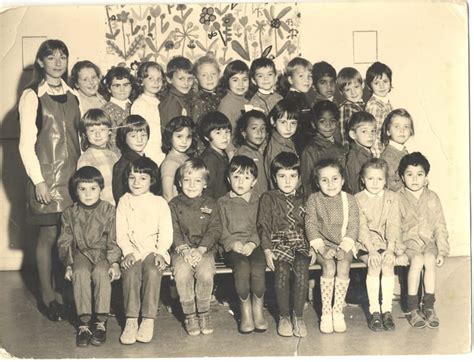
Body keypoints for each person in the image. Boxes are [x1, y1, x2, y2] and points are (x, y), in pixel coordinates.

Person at [18, 39, 81, 321]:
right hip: (45, 179)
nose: (58, 62)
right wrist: (39, 181)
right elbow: (24, 145)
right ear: (41, 62)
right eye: (51, 57)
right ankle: (47, 295)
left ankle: (66, 294)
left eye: (62, 57)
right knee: (48, 236)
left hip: (73, 180)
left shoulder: (73, 94)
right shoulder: (31, 96)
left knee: (69, 239)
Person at [57, 166, 121, 347]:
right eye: (82, 189)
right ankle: (84, 324)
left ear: (101, 189)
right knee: (80, 273)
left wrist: (114, 262)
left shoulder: (109, 210)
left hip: (103, 253)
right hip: (81, 253)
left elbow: (114, 239)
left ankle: (101, 321)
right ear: (75, 191)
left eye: (93, 188)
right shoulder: (70, 213)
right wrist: (68, 264)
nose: (88, 194)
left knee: (101, 273)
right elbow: (65, 241)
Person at [116, 157, 173, 344]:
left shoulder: (159, 202)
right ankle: (131, 320)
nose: (136, 182)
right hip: (132, 250)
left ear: (152, 180)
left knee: (152, 270)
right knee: (131, 272)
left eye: (142, 178)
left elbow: (166, 231)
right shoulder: (124, 201)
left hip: (153, 250)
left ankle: (148, 320)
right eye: (132, 178)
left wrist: (160, 252)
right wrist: (127, 251)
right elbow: (121, 231)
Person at [258, 152, 311, 337]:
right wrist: (266, 250)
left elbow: (311, 225)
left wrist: (312, 244)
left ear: (299, 177)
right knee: (281, 271)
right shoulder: (268, 198)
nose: (288, 181)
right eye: (282, 176)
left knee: (302, 268)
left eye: (292, 176)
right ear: (274, 177)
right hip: (277, 242)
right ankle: (284, 316)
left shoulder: (305, 198)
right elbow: (263, 226)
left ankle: (299, 316)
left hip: (300, 242)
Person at [305, 159, 359, 334]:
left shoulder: (349, 200)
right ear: (317, 182)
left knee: (343, 266)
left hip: (345, 243)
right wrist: (321, 249)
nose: (330, 184)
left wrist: (344, 248)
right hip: (322, 244)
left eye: (335, 179)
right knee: (328, 267)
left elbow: (354, 226)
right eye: (324, 180)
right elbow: (311, 225)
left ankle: (338, 312)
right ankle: (326, 313)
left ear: (342, 180)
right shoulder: (313, 199)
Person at [169, 159, 222, 336]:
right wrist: (184, 250)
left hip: (204, 250)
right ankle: (190, 314)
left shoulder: (211, 204)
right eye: (187, 180)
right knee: (182, 272)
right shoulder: (174, 204)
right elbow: (173, 229)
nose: (191, 185)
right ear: (179, 182)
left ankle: (204, 312)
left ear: (205, 183)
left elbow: (215, 229)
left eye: (197, 180)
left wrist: (200, 250)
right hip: (181, 251)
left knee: (206, 272)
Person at [397, 152, 449, 329]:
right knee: (417, 260)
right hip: (408, 243)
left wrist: (442, 250)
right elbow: (394, 227)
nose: (414, 179)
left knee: (429, 259)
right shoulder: (398, 198)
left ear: (426, 177)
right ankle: (412, 308)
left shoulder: (432, 197)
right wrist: (398, 251)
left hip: (428, 243)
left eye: (419, 174)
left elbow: (440, 225)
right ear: (402, 177)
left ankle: (429, 306)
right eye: (409, 174)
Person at [217, 155, 267, 334]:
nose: (240, 182)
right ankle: (245, 312)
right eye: (236, 176)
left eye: (246, 177)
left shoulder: (259, 200)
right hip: (233, 248)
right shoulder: (222, 202)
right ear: (229, 179)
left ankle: (258, 310)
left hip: (254, 245)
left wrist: (253, 243)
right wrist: (231, 243)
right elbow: (220, 229)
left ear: (253, 181)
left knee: (258, 266)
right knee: (242, 266)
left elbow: (261, 227)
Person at [355, 158, 402, 332]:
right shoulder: (358, 199)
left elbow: (393, 223)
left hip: (387, 242)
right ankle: (374, 310)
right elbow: (361, 227)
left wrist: (390, 249)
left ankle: (387, 310)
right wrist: (372, 250)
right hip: (365, 244)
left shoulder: (392, 197)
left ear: (385, 180)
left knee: (388, 264)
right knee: (375, 265)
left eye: (380, 179)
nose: (375, 183)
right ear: (363, 179)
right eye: (370, 179)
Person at [300, 100, 346, 200]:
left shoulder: (341, 148)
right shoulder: (310, 150)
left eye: (332, 121)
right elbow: (307, 184)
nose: (328, 125)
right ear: (313, 124)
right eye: (322, 121)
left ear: (337, 123)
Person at [77, 108, 119, 206]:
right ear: (85, 134)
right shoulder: (86, 159)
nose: (98, 134)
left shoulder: (114, 155)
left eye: (102, 129)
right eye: (92, 130)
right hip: (100, 210)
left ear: (109, 131)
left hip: (116, 207)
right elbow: (85, 191)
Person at [131, 61, 166, 166]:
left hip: (161, 151)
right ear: (141, 81)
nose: (156, 82)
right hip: (149, 152)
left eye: (159, 79)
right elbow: (138, 132)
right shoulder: (139, 104)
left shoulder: (160, 101)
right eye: (150, 78)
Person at [112, 115, 150, 205]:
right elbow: (119, 196)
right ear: (124, 138)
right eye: (133, 136)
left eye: (143, 135)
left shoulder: (144, 159)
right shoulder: (123, 164)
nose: (139, 140)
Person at [217, 60, 250, 158]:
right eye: (235, 80)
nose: (241, 84)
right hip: (232, 152)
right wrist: (230, 153)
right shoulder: (226, 103)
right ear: (227, 81)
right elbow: (223, 132)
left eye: (244, 79)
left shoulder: (246, 101)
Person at [233, 110, 269, 199]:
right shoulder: (244, 155)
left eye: (262, 128)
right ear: (244, 133)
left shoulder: (257, 152)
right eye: (254, 128)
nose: (259, 132)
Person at [282, 57, 314, 153]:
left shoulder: (302, 96)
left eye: (309, 76)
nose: (307, 80)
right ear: (290, 80)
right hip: (299, 146)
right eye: (301, 76)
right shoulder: (291, 99)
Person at [160, 116, 197, 202]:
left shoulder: (186, 157)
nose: (184, 141)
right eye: (179, 136)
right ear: (170, 137)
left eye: (188, 137)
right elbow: (167, 195)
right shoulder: (170, 163)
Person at [264, 99, 298, 187]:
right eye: (283, 122)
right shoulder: (276, 148)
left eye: (293, 123)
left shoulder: (287, 141)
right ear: (273, 121)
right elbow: (274, 183)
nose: (288, 128)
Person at [199, 111, 232, 200]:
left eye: (227, 132)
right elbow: (207, 191)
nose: (225, 137)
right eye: (218, 133)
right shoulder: (209, 159)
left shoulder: (222, 154)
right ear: (206, 137)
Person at [102, 66, 135, 154]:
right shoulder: (105, 111)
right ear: (109, 88)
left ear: (131, 86)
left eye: (126, 85)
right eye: (117, 86)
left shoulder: (136, 106)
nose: (122, 89)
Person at [380, 108, 414, 191]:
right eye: (396, 126)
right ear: (388, 131)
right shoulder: (388, 156)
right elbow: (391, 184)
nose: (402, 130)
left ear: (410, 131)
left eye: (406, 126)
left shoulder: (403, 151)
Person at [365, 62, 394, 156]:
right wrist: (379, 156)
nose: (381, 86)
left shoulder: (386, 103)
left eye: (385, 81)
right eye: (376, 83)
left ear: (390, 82)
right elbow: (374, 135)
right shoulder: (374, 105)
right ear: (370, 86)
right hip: (379, 153)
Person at [345, 111, 377, 194]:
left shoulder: (366, 152)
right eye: (364, 131)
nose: (370, 135)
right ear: (353, 135)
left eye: (373, 131)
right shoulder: (355, 157)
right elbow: (355, 186)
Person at [159, 56, 194, 129]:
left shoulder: (183, 98)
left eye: (189, 78)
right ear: (169, 79)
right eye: (181, 78)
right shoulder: (172, 103)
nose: (186, 83)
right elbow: (173, 132)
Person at [337, 67, 365, 146]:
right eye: (348, 89)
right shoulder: (346, 108)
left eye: (356, 87)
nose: (353, 92)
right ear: (341, 92)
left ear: (362, 85)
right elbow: (345, 137)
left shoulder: (363, 105)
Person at [191, 55, 221, 127]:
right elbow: (197, 127)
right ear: (196, 79)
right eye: (204, 75)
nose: (209, 78)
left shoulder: (219, 95)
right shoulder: (199, 101)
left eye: (213, 74)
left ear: (219, 75)